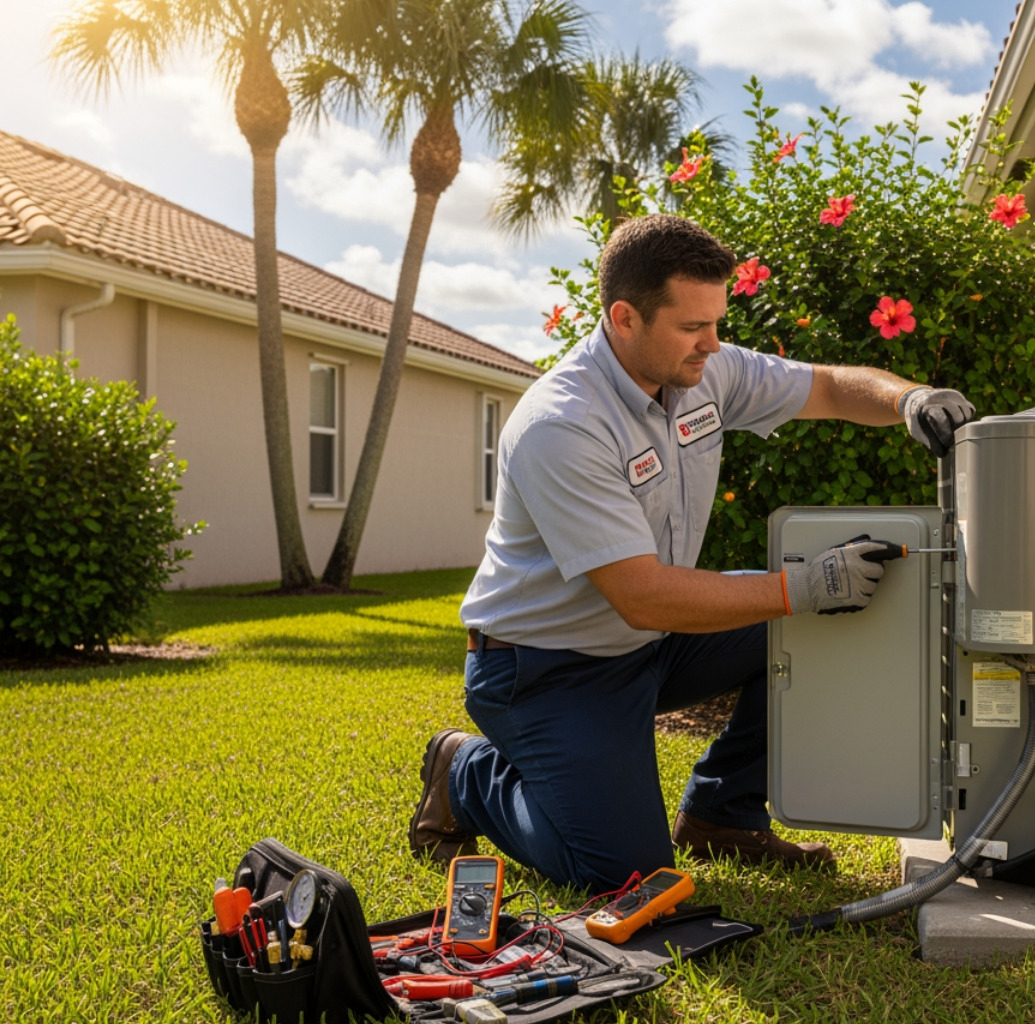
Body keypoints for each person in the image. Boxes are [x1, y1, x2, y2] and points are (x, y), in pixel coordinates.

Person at [409, 214, 975, 891]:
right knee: (624, 874)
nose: (712, 345)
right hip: (544, 669)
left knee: (812, 620)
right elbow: (643, 596)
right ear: (624, 317)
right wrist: (804, 585)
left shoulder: (703, 371)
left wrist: (909, 398)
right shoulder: (562, 425)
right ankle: (465, 772)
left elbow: (824, 386)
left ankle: (722, 812)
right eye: (691, 327)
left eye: (717, 323)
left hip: (648, 645)